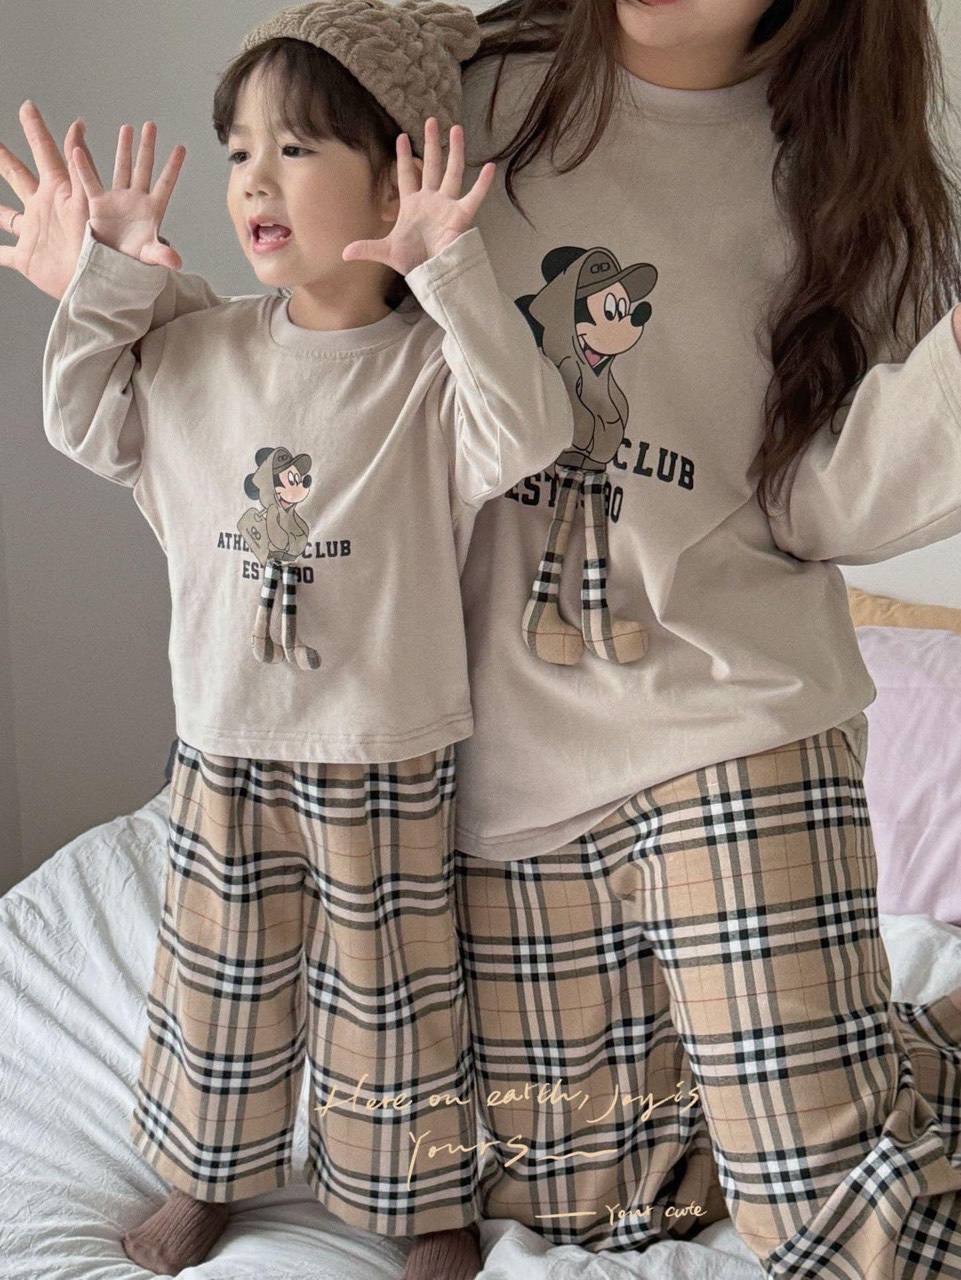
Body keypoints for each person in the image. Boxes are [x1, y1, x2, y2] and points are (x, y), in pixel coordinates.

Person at [6, 0, 961, 1275]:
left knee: (833, 1223)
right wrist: (111, 278)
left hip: (729, 713)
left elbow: (818, 500)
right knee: (606, 1197)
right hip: (480, 769)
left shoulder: (851, 180)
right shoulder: (464, 87)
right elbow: (300, 333)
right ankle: (905, 1047)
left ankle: (825, 1080)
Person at [6, 3, 576, 1278]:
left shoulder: (430, 369)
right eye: (238, 151)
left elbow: (530, 429)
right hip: (223, 739)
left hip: (385, 741)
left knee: (394, 989)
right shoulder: (197, 344)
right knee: (218, 978)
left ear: (394, 172)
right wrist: (113, 278)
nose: (255, 180)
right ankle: (203, 1174)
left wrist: (450, 267)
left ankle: (424, 1198)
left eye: (298, 148)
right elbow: (83, 418)